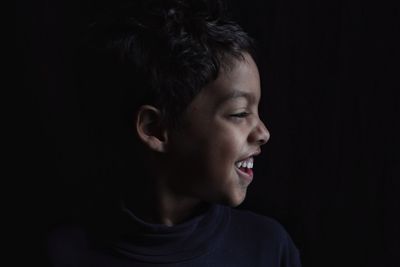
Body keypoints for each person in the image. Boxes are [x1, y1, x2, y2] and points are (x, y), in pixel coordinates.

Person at [46, 0, 302, 266]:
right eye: (239, 113)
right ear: (154, 129)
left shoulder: (268, 248)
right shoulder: (65, 253)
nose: (263, 133)